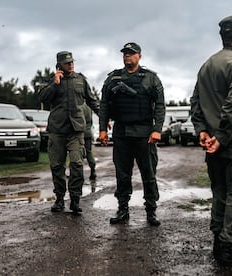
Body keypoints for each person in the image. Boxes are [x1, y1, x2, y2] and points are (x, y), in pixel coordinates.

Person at [190, 15, 232, 266]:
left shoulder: (207, 64)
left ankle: (220, 243)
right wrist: (222, 136)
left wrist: (202, 131)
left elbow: (195, 101)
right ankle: (229, 249)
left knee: (220, 193)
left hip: (214, 145)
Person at [98, 42, 165, 226]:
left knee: (148, 174)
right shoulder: (113, 78)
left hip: (145, 134)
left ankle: (151, 211)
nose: (127, 56)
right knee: (122, 175)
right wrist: (103, 129)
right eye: (125, 53)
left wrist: (157, 130)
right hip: (121, 133)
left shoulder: (150, 78)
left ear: (139, 56)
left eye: (131, 53)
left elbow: (160, 105)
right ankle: (122, 210)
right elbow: (104, 104)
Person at [38, 51, 100, 214]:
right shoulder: (52, 81)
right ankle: (59, 199)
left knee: (77, 164)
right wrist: (55, 83)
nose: (71, 65)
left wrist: (105, 117)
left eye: (72, 62)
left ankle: (75, 200)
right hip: (57, 130)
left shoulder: (81, 80)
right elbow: (42, 98)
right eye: (67, 63)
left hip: (76, 130)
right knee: (57, 166)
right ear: (59, 65)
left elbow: (92, 101)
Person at [81, 103, 97, 184]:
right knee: (89, 152)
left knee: (79, 152)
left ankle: (78, 174)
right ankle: (92, 169)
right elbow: (90, 121)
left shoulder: (79, 106)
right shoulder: (88, 107)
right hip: (88, 132)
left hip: (80, 132)